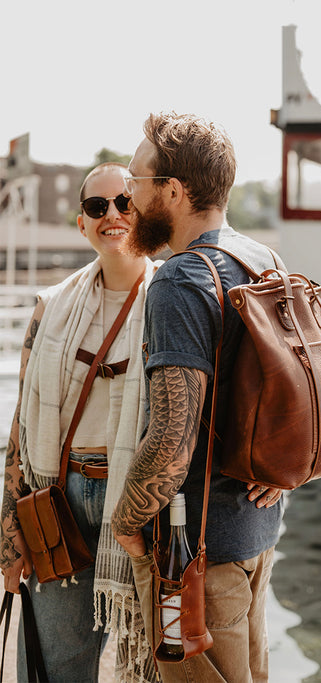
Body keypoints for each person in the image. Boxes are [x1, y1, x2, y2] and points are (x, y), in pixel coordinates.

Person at [111, 112, 285, 682]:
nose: (128, 197)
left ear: (174, 191)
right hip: (257, 538)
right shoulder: (262, 262)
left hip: (195, 560)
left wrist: (127, 522)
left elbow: (170, 441)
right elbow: (300, 394)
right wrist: (284, 469)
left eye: (136, 181)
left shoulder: (181, 281)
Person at [1, 162, 160, 682]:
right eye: (97, 206)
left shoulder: (171, 304)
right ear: (82, 223)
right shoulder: (51, 308)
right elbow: (21, 429)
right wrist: (8, 535)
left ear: (144, 212)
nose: (112, 215)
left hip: (140, 506)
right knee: (53, 668)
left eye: (124, 203)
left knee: (152, 662)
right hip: (58, 501)